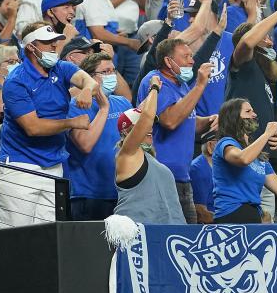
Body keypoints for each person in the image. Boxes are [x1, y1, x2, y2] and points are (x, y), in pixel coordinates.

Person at [0, 24, 98, 227]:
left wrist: (87, 89)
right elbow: (33, 127)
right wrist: (72, 122)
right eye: (48, 43)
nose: (54, 47)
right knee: (14, 235)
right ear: (32, 47)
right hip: (21, 166)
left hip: (53, 164)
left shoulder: (61, 67)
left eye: (55, 42)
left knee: (47, 235)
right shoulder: (16, 81)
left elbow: (90, 81)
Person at [136, 38, 216, 223]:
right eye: (186, 56)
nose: (192, 60)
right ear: (168, 61)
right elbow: (170, 121)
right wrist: (200, 86)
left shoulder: (182, 85)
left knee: (185, 240)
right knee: (166, 238)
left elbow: (187, 122)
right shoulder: (155, 81)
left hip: (182, 176)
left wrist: (208, 121)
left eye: (191, 56)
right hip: (160, 177)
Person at [211, 99, 277, 224]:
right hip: (231, 214)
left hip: (254, 214)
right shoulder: (225, 143)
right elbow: (243, 159)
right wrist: (267, 133)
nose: (254, 114)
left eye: (253, 111)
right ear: (233, 117)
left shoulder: (258, 156)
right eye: (248, 111)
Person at [65, 52, 131, 221]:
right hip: (89, 195)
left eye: (113, 71)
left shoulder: (122, 102)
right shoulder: (77, 105)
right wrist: (103, 109)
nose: (111, 76)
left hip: (123, 194)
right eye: (105, 72)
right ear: (90, 77)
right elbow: (85, 145)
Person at [113, 74, 185, 225]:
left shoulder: (150, 159)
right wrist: (154, 88)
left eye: (152, 124)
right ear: (126, 131)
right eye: (140, 125)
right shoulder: (127, 154)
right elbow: (146, 117)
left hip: (168, 235)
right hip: (138, 235)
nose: (150, 127)